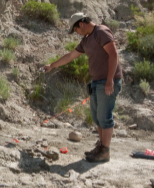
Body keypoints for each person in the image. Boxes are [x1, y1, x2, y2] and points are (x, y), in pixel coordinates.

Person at [40, 12, 123, 162]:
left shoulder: (101, 32)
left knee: (105, 117)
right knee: (97, 118)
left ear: (81, 24)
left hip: (107, 82)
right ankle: (101, 147)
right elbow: (71, 56)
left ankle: (105, 151)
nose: (76, 33)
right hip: (96, 82)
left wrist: (110, 80)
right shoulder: (86, 40)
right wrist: (52, 66)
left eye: (76, 30)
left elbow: (113, 54)